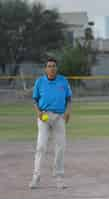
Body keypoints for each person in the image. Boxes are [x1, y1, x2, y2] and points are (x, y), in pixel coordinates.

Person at [29, 58, 72, 189]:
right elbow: (35, 100)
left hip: (59, 117)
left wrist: (68, 112)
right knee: (41, 146)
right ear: (45, 69)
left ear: (56, 68)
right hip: (44, 116)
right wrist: (38, 113)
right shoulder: (40, 82)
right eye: (49, 66)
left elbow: (68, 98)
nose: (51, 68)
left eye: (53, 66)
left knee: (60, 147)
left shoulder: (63, 81)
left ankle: (59, 177)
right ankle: (36, 177)